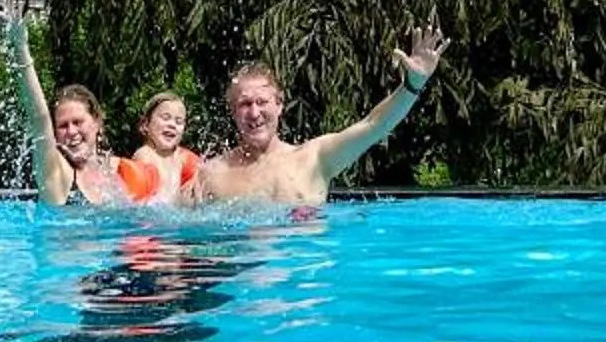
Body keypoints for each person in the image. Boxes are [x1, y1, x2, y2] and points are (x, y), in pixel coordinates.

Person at [194, 19, 447, 206]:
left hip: (307, 274)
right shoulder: (213, 173)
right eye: (244, 104)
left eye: (262, 102)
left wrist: (412, 85)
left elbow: (374, 126)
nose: (254, 112)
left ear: (280, 105)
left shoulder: (314, 158)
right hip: (241, 276)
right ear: (233, 113)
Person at [0, 0, 129, 207]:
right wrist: (21, 48)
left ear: (97, 123)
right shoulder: (57, 175)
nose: (71, 132)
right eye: (63, 125)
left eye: (78, 122)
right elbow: (39, 120)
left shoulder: (116, 175)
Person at [122, 91, 200, 205]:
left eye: (179, 121)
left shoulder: (183, 158)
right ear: (145, 124)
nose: (172, 124)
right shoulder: (145, 155)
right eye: (165, 118)